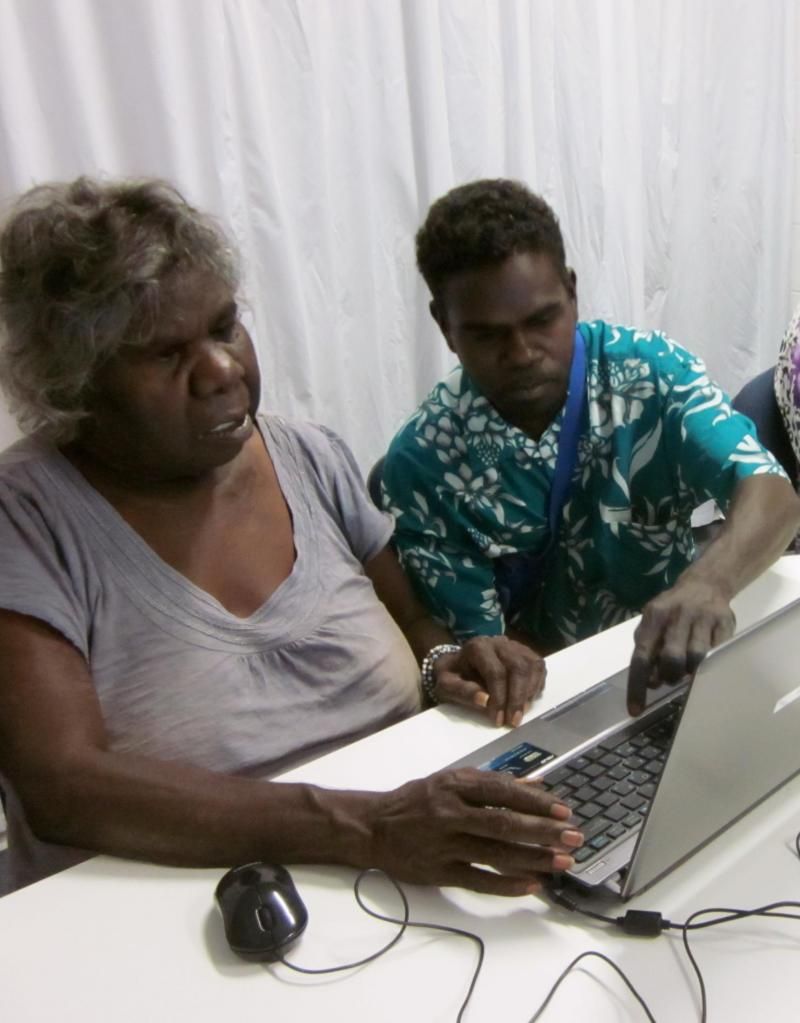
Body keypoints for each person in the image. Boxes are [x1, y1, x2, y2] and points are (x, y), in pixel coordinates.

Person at [0, 176, 580, 894]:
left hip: (398, 859)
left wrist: (449, 661)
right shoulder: (25, 518)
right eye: (163, 354)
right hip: (174, 906)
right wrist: (363, 828)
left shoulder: (309, 456)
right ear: (75, 384)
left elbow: (412, 618)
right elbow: (63, 786)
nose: (221, 369)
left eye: (222, 326)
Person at [381, 179, 800, 717]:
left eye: (542, 320)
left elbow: (770, 492)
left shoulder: (648, 373)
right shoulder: (425, 461)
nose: (523, 352)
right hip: (547, 702)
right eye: (488, 335)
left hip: (676, 665)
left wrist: (709, 581)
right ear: (444, 325)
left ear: (572, 293)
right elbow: (487, 658)